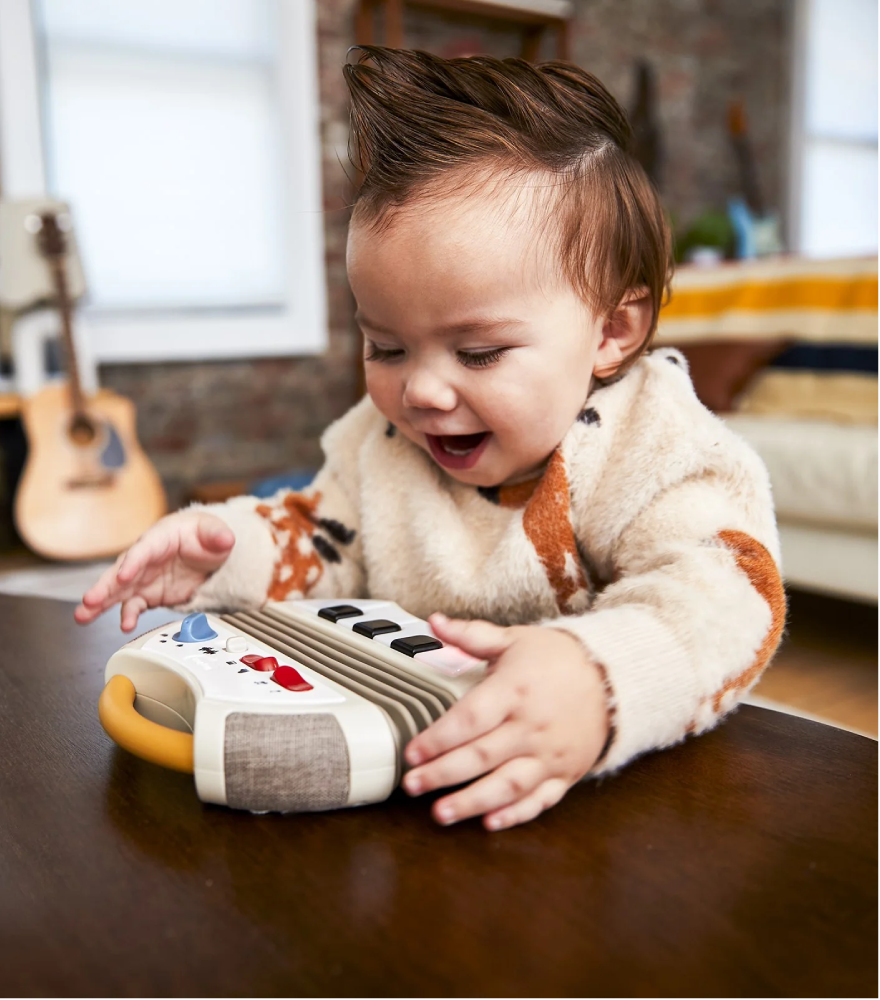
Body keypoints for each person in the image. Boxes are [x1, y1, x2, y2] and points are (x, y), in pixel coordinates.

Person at [76, 48, 784, 832]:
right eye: (386, 347)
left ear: (613, 331)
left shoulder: (656, 448)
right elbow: (324, 535)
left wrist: (600, 677)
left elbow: (729, 596)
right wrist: (232, 548)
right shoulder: (384, 442)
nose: (421, 391)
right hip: (402, 766)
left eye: (478, 353)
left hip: (596, 805)